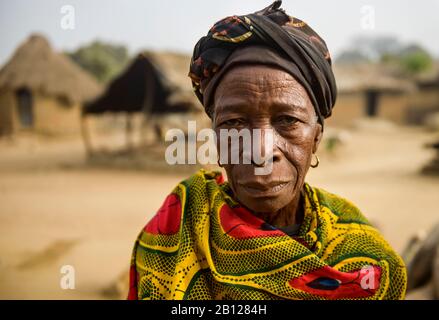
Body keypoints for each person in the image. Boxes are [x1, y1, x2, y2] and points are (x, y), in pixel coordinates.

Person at [128, 1, 407, 300]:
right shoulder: (174, 229)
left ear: (316, 137)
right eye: (234, 122)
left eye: (287, 121)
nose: (260, 151)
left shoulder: (370, 260)